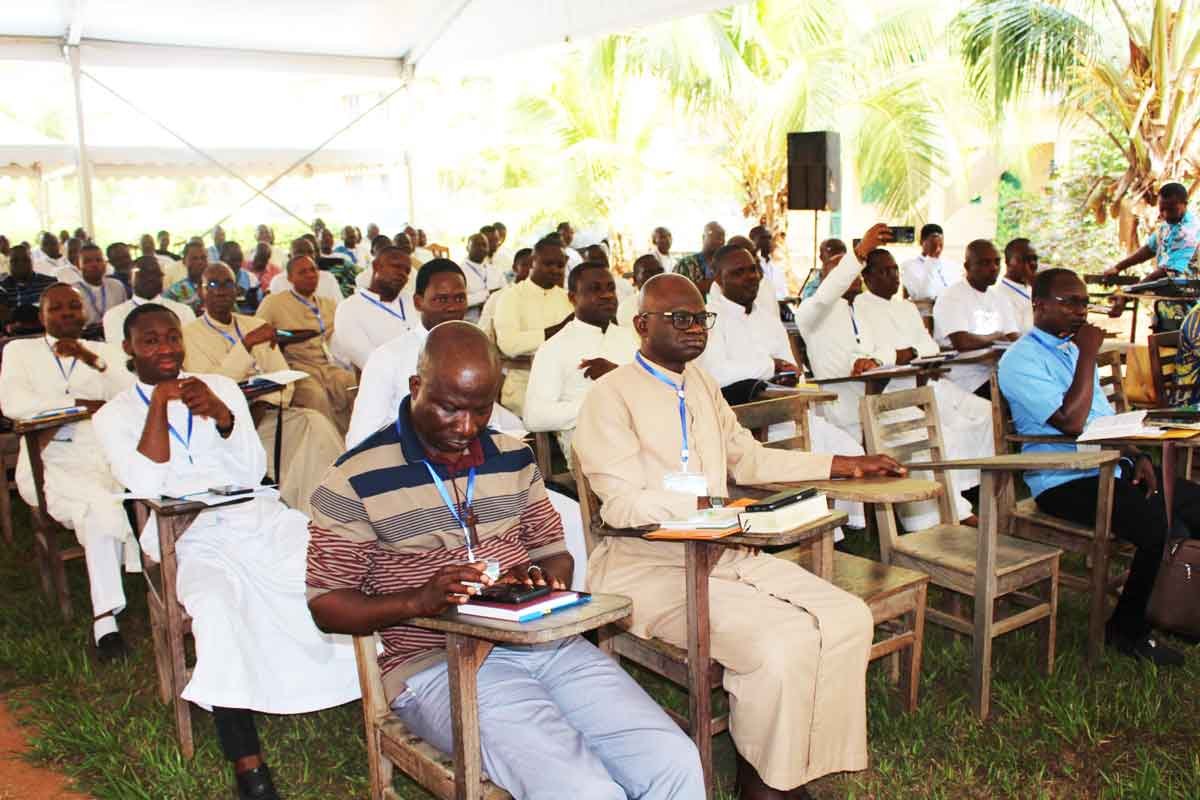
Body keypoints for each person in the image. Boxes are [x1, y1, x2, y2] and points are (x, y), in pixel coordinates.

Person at [306, 322, 704, 799]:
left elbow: (554, 554)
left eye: (481, 409)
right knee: (583, 790)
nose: (467, 427)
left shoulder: (512, 457)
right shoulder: (354, 478)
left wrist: (538, 579)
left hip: (544, 644)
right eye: (449, 408)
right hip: (435, 666)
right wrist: (420, 600)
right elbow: (326, 605)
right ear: (416, 388)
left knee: (675, 761)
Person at [574, 272, 903, 800]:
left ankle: (787, 770)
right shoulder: (609, 397)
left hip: (725, 554)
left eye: (700, 318)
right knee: (779, 644)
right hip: (649, 569)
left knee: (847, 617)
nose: (693, 329)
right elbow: (622, 504)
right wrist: (711, 506)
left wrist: (842, 463)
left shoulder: (701, 383)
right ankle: (764, 786)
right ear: (641, 324)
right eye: (678, 318)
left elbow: (746, 458)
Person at [93, 303, 360, 800]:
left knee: (338, 562)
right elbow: (147, 482)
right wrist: (158, 405)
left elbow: (251, 470)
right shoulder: (113, 416)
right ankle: (248, 765)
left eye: (172, 337)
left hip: (255, 518)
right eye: (150, 341)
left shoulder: (220, 389)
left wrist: (219, 416)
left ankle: (369, 692)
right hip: (188, 538)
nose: (166, 348)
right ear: (129, 349)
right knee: (216, 609)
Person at [999, 268, 1199, 667]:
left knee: (1192, 503)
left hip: (1110, 466)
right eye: (1069, 301)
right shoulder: (1018, 361)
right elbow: (1072, 423)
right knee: (1154, 526)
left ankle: (1178, 604)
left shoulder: (1072, 350)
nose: (1080, 310)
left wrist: (1136, 456)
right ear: (1038, 305)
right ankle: (1126, 630)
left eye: (1084, 302)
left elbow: (1103, 420)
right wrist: (1090, 353)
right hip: (1063, 478)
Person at [0, 284, 134, 660]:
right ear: (41, 315)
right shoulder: (20, 351)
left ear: (84, 313)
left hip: (102, 458)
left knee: (97, 509)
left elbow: (130, 393)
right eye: (55, 308)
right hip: (47, 460)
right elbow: (13, 403)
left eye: (73, 306)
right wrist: (77, 405)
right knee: (101, 507)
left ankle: (105, 622)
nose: (66, 313)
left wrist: (92, 361)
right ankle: (107, 618)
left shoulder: (104, 352)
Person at [183, 263, 344, 517]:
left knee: (315, 423)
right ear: (201, 292)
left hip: (265, 414)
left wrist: (264, 403)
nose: (221, 291)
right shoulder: (189, 334)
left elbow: (283, 377)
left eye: (227, 284)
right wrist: (245, 346)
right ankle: (301, 510)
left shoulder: (253, 324)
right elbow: (213, 387)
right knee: (304, 442)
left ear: (236, 289)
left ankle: (327, 509)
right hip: (223, 427)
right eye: (212, 285)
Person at [854, 247, 995, 525]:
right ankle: (951, 509)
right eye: (884, 271)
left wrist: (907, 351)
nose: (893, 276)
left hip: (926, 380)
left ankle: (974, 488)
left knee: (985, 412)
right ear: (867, 277)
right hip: (891, 390)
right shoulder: (861, 305)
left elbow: (928, 345)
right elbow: (871, 352)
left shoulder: (905, 306)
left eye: (895, 269)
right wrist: (905, 353)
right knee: (943, 433)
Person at [525, 261, 639, 467]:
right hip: (594, 454)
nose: (607, 295)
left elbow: (653, 391)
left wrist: (617, 375)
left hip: (643, 441)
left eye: (610, 288)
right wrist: (597, 405)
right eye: (595, 289)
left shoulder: (629, 338)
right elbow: (534, 416)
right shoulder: (554, 347)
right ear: (572, 298)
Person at [256, 255, 357, 434]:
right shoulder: (274, 302)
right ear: (290, 278)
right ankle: (329, 450)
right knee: (315, 397)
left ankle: (355, 442)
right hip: (296, 368)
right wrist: (291, 336)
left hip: (328, 366)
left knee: (353, 385)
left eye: (313, 270)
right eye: (302, 272)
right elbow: (258, 333)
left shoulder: (328, 304)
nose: (310, 275)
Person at [493, 237, 574, 416]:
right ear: (533, 261)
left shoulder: (566, 298)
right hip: (523, 387)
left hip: (564, 388)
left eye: (560, 265)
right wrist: (556, 330)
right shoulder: (512, 296)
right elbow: (508, 344)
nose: (555, 269)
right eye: (548, 263)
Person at [932, 239, 1020, 395]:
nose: (993, 268)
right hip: (964, 376)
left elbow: (1013, 337)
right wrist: (996, 336)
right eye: (985, 263)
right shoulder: (951, 295)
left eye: (997, 262)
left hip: (997, 371)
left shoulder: (999, 297)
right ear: (967, 267)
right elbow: (962, 342)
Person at [330, 246, 415, 371]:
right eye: (396, 266)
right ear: (376, 266)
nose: (402, 273)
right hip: (386, 382)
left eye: (407, 271)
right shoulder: (349, 309)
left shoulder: (411, 301)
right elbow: (370, 362)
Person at [1105, 182, 1200, 281]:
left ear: (1185, 204)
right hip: (1169, 288)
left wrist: (1135, 289)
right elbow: (1148, 250)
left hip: (1189, 291)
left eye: (1171, 210)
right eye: (1162, 209)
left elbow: (1168, 271)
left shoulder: (1189, 231)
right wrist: (1117, 267)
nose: (1165, 214)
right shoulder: (1167, 225)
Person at [103, 256, 196, 343]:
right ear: (130, 279)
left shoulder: (184, 312)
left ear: (162, 277)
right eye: (142, 273)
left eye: (154, 273)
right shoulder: (114, 316)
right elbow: (117, 355)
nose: (149, 277)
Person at [267, 237, 344, 304]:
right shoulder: (278, 281)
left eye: (310, 252)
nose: (306, 256)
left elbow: (339, 307)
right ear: (290, 257)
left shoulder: (328, 278)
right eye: (300, 252)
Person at [478, 247, 531, 341]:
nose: (530, 271)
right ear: (514, 268)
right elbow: (484, 332)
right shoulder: (497, 297)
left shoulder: (543, 296)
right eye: (525, 265)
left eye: (534, 266)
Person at [72, 243, 128, 329]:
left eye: (99, 260)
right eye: (87, 261)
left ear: (105, 263)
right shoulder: (73, 292)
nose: (94, 265)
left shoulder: (117, 286)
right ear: (78, 265)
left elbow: (125, 316)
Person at [900, 223, 962, 301]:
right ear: (922, 242)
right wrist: (931, 259)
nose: (938, 249)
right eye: (933, 244)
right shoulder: (908, 266)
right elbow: (923, 295)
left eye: (940, 244)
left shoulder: (951, 265)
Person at [0, 245, 56, 328]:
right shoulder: (2, 288)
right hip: (13, 338)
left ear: (32, 261)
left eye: (25, 260)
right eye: (14, 261)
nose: (20, 264)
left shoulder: (50, 283)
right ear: (8, 264)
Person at [994, 238, 1038, 333]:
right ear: (1008, 262)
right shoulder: (999, 294)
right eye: (1025, 259)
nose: (1032, 263)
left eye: (1035, 259)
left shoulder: (1033, 288)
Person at [460, 232, 505, 322]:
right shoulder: (459, 272)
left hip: (496, 319)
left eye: (484, 245)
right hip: (471, 321)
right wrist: (486, 295)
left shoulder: (495, 270)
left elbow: (505, 293)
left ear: (488, 248)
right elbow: (459, 301)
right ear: (467, 248)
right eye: (476, 245)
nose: (481, 248)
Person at [673, 221, 725, 296]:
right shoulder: (685, 264)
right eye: (714, 235)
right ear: (703, 237)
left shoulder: (726, 264)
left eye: (722, 236)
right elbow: (676, 290)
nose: (720, 240)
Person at [617, 254, 664, 327]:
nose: (656, 277)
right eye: (648, 274)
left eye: (660, 271)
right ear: (635, 280)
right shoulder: (626, 309)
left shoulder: (677, 302)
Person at [164, 240, 208, 313]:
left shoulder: (216, 285)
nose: (200, 262)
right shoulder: (175, 291)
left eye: (203, 258)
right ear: (184, 261)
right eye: (194, 258)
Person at [749, 225, 789, 300]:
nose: (768, 241)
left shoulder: (777, 267)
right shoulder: (751, 266)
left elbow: (783, 293)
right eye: (763, 238)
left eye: (769, 238)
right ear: (752, 241)